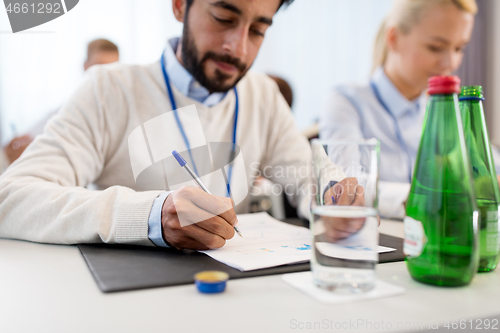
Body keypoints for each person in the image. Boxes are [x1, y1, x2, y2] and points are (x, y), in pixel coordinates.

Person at [0, 0, 358, 250]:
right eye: (223, 17)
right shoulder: (109, 89)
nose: (239, 49)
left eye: (258, 31)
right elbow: (11, 199)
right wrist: (151, 216)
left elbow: (310, 180)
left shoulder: (262, 94)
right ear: (179, 5)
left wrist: (335, 197)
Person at [319, 0, 478, 218]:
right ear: (393, 38)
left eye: (459, 48)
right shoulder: (346, 101)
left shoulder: (445, 111)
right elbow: (346, 187)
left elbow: (488, 166)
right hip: (377, 243)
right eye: (435, 47)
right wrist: (425, 197)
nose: (450, 63)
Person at [0, 39, 120, 173]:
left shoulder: (123, 114)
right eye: (99, 67)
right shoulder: (66, 111)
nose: (107, 75)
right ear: (85, 66)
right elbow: (23, 143)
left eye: (114, 68)